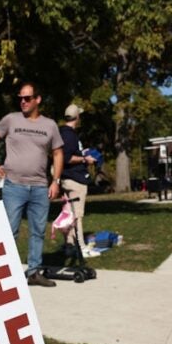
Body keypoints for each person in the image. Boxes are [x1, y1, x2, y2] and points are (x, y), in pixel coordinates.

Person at [0, 82, 64, 287]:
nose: (23, 101)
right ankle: (4, 275)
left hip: (40, 187)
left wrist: (55, 181)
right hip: (14, 186)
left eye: (27, 98)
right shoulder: (11, 120)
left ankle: (34, 272)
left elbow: (57, 153)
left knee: (37, 231)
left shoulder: (50, 125)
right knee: (10, 231)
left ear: (37, 100)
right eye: (20, 98)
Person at [58, 104, 99, 258]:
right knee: (77, 216)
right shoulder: (69, 135)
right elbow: (67, 157)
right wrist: (84, 159)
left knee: (68, 214)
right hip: (75, 180)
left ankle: (69, 247)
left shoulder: (62, 133)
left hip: (67, 179)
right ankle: (81, 248)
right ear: (77, 117)